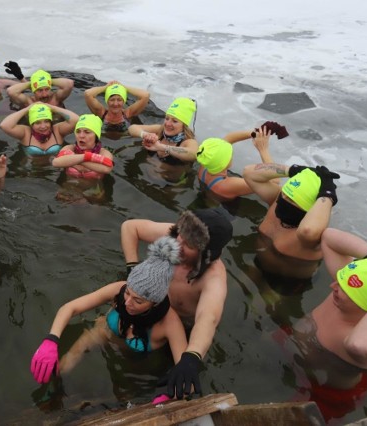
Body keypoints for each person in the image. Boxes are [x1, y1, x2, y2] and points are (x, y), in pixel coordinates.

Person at [30, 236, 187, 386]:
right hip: (103, 333)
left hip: (135, 365)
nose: (127, 302)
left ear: (155, 302)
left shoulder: (170, 324)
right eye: (127, 292)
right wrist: (52, 339)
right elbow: (70, 308)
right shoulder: (118, 289)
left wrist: (174, 389)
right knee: (59, 370)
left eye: (138, 301)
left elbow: (186, 373)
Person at [120, 208, 233, 398]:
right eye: (179, 236)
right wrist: (133, 269)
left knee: (161, 381)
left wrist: (192, 357)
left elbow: (208, 318)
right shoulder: (175, 237)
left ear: (206, 252)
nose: (177, 245)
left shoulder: (213, 278)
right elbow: (130, 228)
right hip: (144, 307)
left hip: (177, 331)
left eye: (188, 245)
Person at [274, 228, 367, 422]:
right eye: (339, 280)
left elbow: (357, 346)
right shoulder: (345, 290)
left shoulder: (363, 337)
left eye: (343, 289)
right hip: (290, 348)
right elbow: (329, 237)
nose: (333, 286)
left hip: (326, 391)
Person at [242, 162, 340, 279]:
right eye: (285, 194)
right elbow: (249, 173)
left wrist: (328, 194)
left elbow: (308, 230)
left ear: (310, 210)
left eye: (293, 200)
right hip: (257, 263)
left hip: (289, 284)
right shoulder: (277, 199)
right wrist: (294, 170)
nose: (285, 199)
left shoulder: (311, 238)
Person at [196, 123, 281, 202]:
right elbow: (274, 180)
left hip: (208, 194)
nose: (232, 154)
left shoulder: (206, 162)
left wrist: (254, 133)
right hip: (227, 208)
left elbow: (228, 139)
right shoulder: (229, 185)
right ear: (224, 163)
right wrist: (263, 150)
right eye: (230, 154)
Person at [129, 97, 198, 164]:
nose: (168, 124)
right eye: (167, 118)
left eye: (174, 121)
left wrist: (160, 147)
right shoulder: (160, 130)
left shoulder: (188, 141)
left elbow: (193, 155)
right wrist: (145, 135)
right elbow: (132, 128)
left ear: (184, 125)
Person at [0, 102, 79, 156]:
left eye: (46, 121)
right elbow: (4, 125)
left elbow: (76, 120)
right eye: (38, 123)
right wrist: (27, 109)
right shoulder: (25, 132)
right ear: (31, 124)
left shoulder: (57, 130)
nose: (43, 126)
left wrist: (51, 107)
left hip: (55, 169)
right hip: (32, 170)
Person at [52, 114, 113, 179]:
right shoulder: (70, 148)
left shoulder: (103, 152)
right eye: (78, 131)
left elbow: (107, 169)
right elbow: (56, 162)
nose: (81, 136)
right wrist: (87, 157)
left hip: (95, 188)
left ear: (96, 135)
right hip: (68, 187)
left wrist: (74, 160)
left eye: (87, 132)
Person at [84, 81, 150, 133]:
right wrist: (105, 87)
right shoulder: (100, 113)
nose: (115, 104)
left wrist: (124, 87)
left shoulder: (128, 114)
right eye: (112, 100)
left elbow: (146, 95)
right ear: (107, 101)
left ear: (124, 101)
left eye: (119, 100)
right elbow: (87, 93)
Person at [6, 69, 74, 108]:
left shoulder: (56, 99)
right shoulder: (28, 101)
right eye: (40, 90)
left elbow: (69, 83)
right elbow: (10, 91)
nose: (44, 95)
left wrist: (47, 82)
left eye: (47, 89)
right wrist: (32, 83)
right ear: (33, 91)